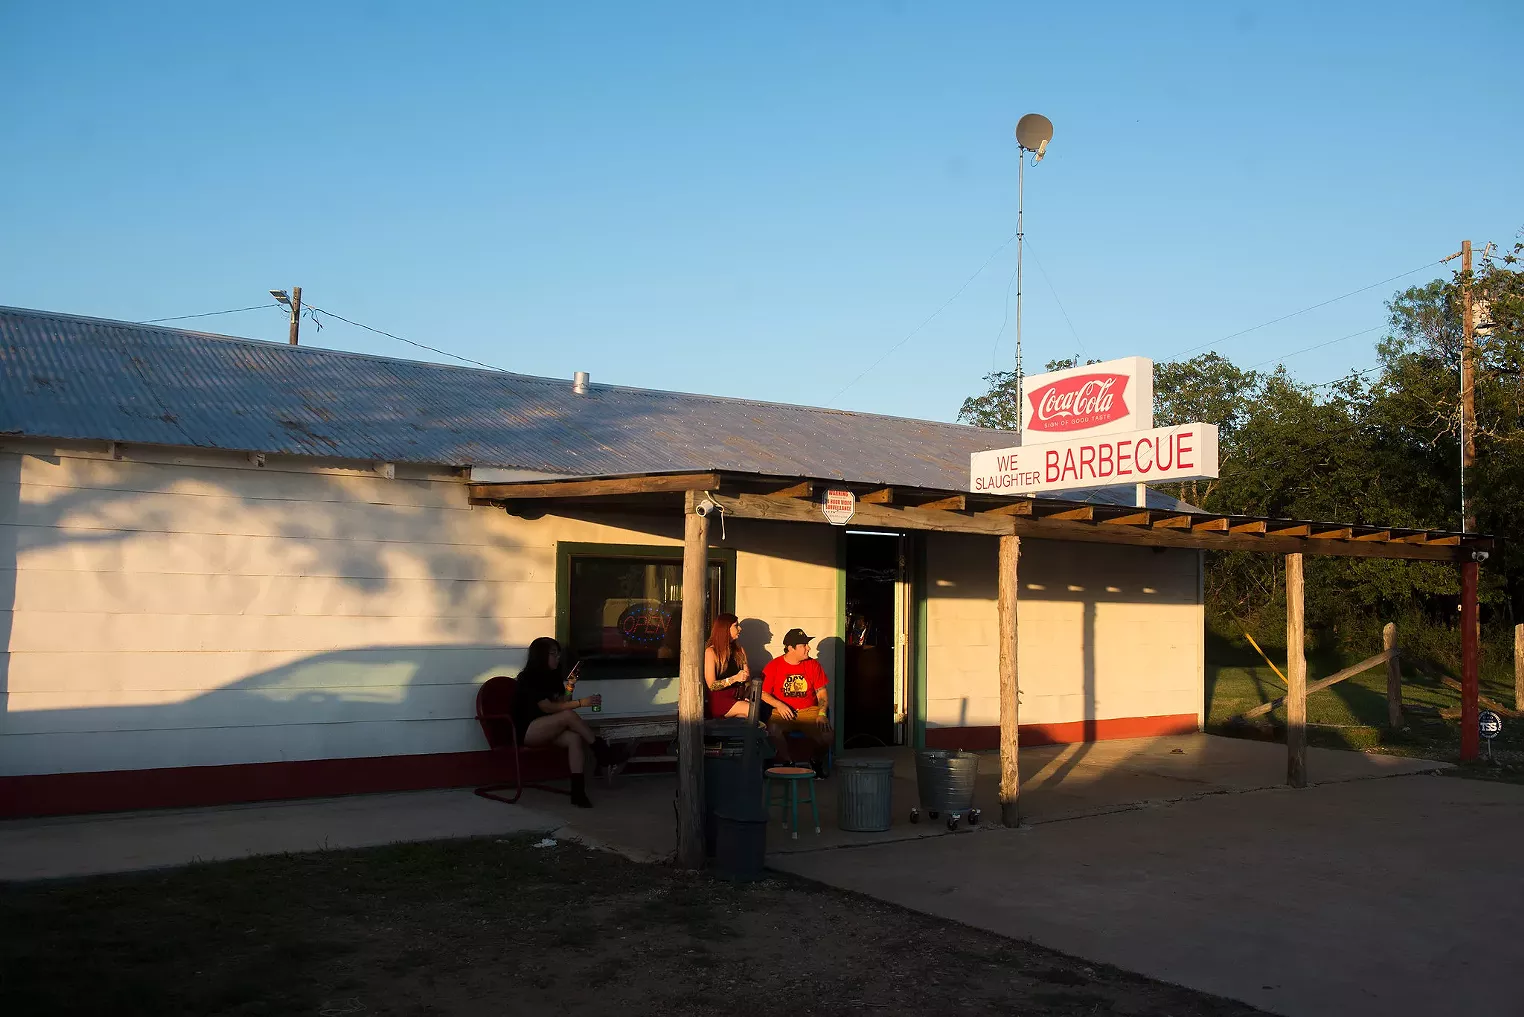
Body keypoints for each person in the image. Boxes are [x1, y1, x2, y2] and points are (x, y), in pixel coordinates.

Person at [513, 636, 608, 808]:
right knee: (567, 716)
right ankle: (601, 750)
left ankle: (578, 793)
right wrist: (582, 703)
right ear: (541, 655)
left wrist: (570, 685)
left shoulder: (552, 677)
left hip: (547, 728)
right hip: (527, 731)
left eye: (558, 654)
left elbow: (561, 703)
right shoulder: (528, 678)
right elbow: (548, 707)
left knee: (574, 738)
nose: (557, 658)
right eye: (553, 654)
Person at [760, 628, 832, 761]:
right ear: (790, 648)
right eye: (804, 645)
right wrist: (779, 705)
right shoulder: (774, 665)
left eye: (807, 644)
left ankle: (816, 760)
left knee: (827, 736)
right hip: (782, 712)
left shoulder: (813, 665)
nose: (808, 648)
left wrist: (822, 713)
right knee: (772, 730)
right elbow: (763, 693)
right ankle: (788, 762)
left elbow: (822, 694)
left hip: (809, 711)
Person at [704, 613, 754, 719]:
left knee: (744, 719)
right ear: (725, 629)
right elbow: (712, 685)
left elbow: (748, 679)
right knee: (750, 709)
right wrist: (735, 678)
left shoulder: (739, 650)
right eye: (736, 625)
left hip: (737, 697)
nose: (740, 629)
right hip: (720, 700)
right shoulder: (711, 652)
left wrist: (746, 692)